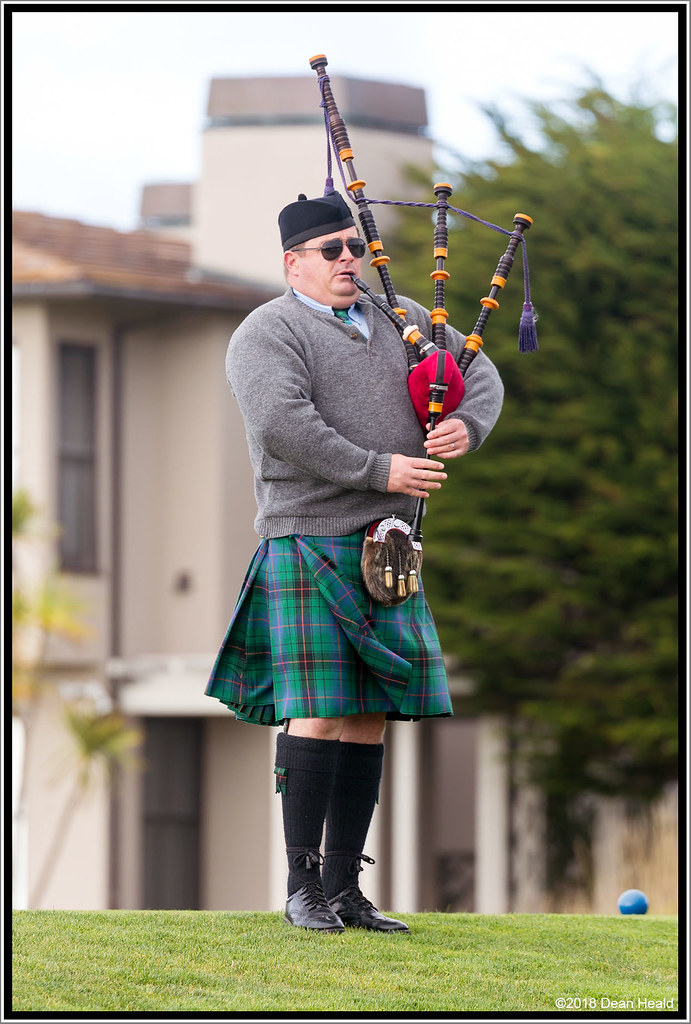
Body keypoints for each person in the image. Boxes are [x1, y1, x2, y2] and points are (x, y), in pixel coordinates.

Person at [206, 190, 504, 933]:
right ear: (293, 263)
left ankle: (345, 889)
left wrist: (465, 426)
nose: (350, 261)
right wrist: (383, 471)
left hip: (389, 548)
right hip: (308, 534)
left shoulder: (395, 321)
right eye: (332, 250)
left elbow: (477, 373)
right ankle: (301, 886)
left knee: (369, 714)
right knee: (319, 712)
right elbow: (283, 425)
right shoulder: (265, 332)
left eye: (355, 247)